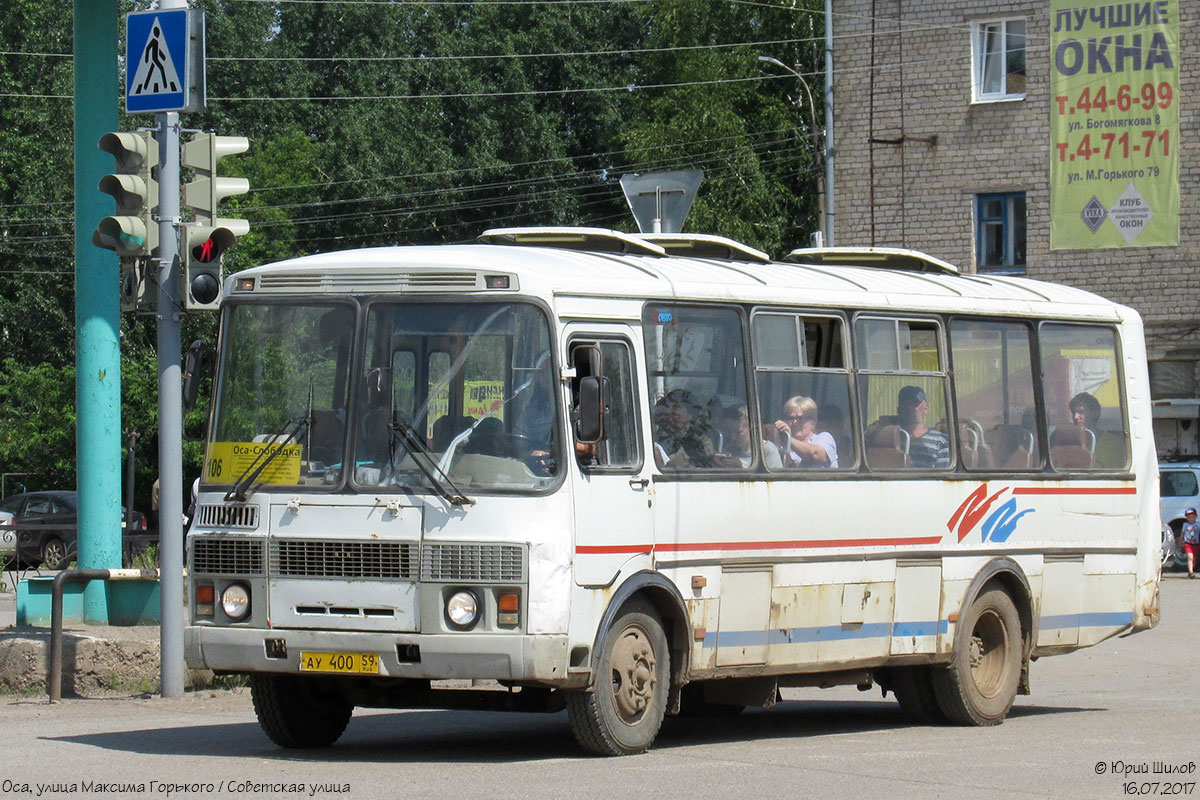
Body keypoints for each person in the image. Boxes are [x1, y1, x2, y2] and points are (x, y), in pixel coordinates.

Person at [652, 389, 715, 469]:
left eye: (676, 407)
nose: (669, 411)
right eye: (667, 407)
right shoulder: (657, 436)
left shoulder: (700, 440)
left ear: (691, 414)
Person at [774, 396, 837, 468]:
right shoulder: (780, 445)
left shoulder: (824, 438)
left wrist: (789, 440)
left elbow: (817, 455)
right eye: (790, 418)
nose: (794, 422)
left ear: (813, 422)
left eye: (800, 418)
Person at [713, 402, 782, 469]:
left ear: (751, 429)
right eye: (728, 432)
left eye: (738, 432)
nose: (732, 437)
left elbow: (773, 479)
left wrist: (743, 468)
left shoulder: (768, 451)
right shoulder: (729, 450)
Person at [897, 385, 949, 468]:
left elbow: (942, 477)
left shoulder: (941, 441)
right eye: (905, 403)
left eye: (914, 403)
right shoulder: (892, 439)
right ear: (899, 410)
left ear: (926, 409)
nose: (910, 408)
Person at [1181, 507, 1200, 579]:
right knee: (1190, 557)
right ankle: (1191, 571)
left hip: (1195, 544)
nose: (1191, 518)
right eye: (1189, 517)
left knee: (1194, 558)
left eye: (1193, 516)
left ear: (1196, 516)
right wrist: (1180, 543)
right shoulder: (1185, 524)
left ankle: (1191, 571)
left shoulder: (1198, 524)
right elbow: (1182, 534)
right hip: (1187, 543)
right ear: (1186, 518)